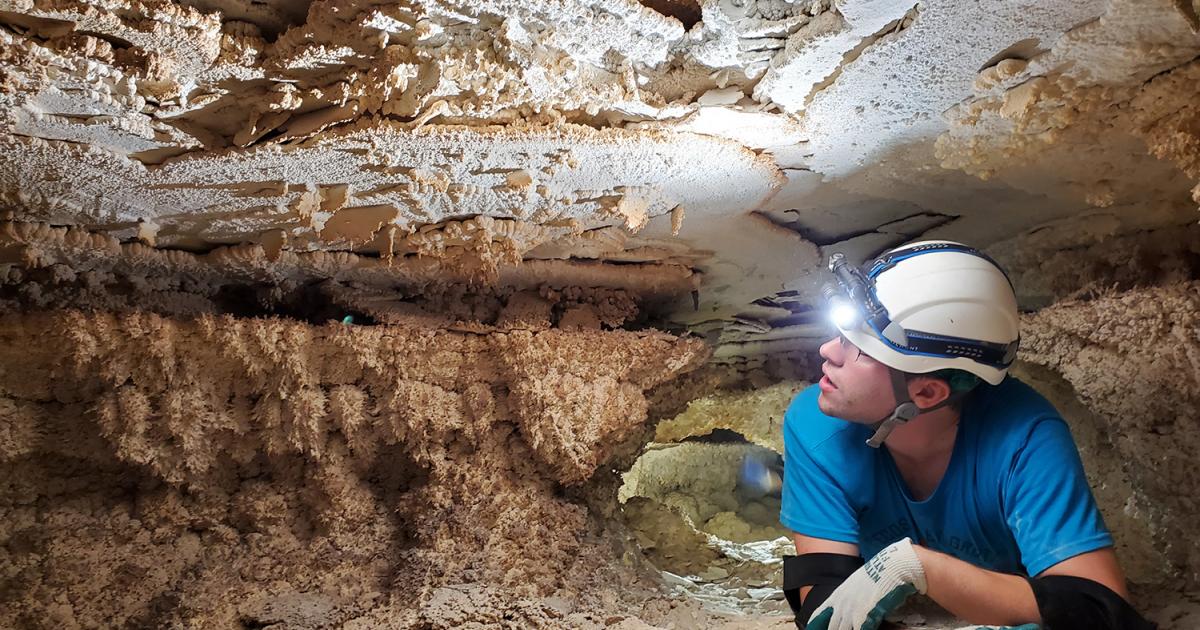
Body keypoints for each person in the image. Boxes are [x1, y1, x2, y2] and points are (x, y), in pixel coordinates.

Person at [780, 241, 1155, 630]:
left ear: (926, 393)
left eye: (859, 348)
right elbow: (826, 606)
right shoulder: (817, 424)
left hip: (1006, 601)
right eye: (841, 335)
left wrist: (918, 567)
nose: (827, 351)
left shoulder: (1024, 437)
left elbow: (1101, 610)